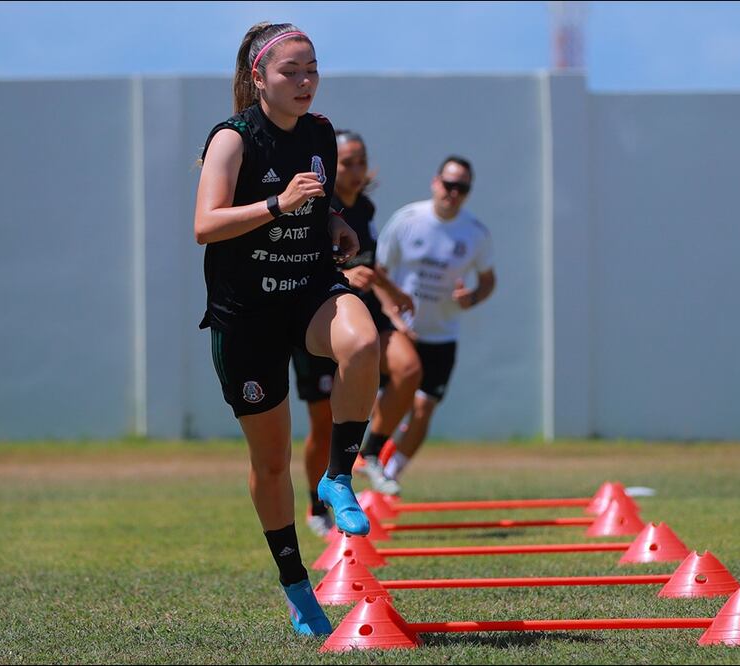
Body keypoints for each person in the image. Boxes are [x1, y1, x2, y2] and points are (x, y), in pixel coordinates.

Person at [193, 22, 381, 636]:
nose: (305, 81)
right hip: (245, 317)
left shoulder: (321, 132)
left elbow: (318, 199)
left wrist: (334, 223)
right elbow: (206, 225)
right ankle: (298, 589)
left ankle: (338, 475)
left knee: (364, 341)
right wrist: (278, 205)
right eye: (290, 72)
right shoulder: (232, 139)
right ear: (259, 78)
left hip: (308, 291)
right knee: (270, 463)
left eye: (312, 69)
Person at [293, 130, 421, 527]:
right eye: (346, 162)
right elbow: (303, 264)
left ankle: (370, 451)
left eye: (360, 162)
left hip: (364, 313)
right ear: (330, 167)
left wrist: (393, 293)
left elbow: (369, 263)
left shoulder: (363, 208)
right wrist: (345, 273)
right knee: (320, 424)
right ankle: (317, 504)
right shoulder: (316, 207)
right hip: (321, 317)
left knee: (409, 368)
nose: (355, 170)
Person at [368, 156, 496, 487]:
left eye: (462, 188)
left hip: (442, 335)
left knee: (424, 409)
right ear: (435, 182)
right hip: (401, 332)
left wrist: (472, 297)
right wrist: (391, 313)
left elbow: (488, 280)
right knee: (386, 401)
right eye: (449, 184)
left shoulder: (475, 233)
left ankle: (389, 473)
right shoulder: (408, 219)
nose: (453, 193)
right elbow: (377, 273)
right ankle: (367, 454)